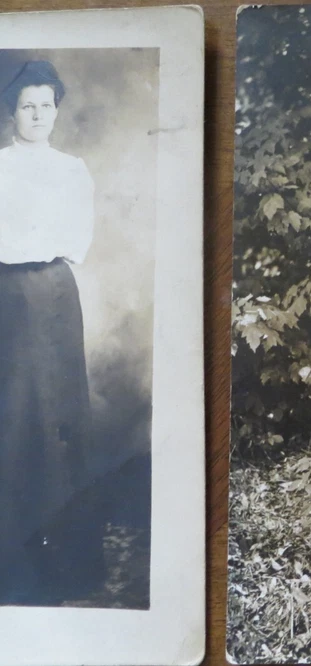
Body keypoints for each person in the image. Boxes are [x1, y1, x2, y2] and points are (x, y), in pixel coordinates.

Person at [0, 60, 102, 605]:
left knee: (60, 417)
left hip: (58, 300)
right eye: (27, 106)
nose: (38, 115)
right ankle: (16, 565)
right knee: (16, 417)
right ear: (12, 112)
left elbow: (75, 239)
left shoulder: (71, 169)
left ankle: (67, 563)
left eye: (46, 105)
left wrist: (30, 241)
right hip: (8, 299)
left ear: (56, 111)